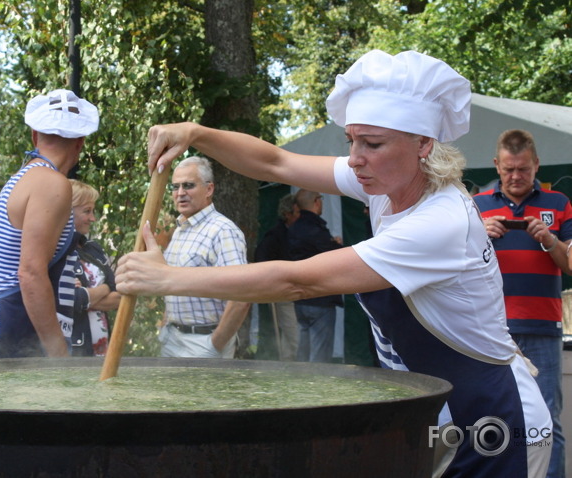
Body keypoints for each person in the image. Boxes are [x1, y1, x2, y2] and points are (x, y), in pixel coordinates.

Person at [117, 50, 553, 477]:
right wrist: (195, 134)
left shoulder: (439, 222)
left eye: (373, 143)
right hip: (441, 413)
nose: (356, 157)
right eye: (352, 141)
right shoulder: (384, 183)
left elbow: (297, 281)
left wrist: (168, 277)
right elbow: (276, 161)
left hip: (495, 419)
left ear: (423, 143)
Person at [0, 89, 100, 360]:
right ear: (80, 142)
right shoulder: (51, 184)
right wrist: (58, 354)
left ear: (35, 136)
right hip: (10, 333)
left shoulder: (25, 177)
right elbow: (30, 274)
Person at [473, 129, 572, 478]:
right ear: (497, 165)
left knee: (546, 421)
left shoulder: (559, 203)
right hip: (491, 330)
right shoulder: (478, 205)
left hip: (542, 327)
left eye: (524, 170)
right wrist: (477, 235)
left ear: (536, 165)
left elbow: (571, 263)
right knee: (493, 419)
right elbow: (453, 263)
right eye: (509, 169)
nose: (516, 177)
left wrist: (549, 240)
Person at [159, 155, 250, 359]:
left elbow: (242, 296)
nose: (180, 193)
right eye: (175, 187)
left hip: (204, 342)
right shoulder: (181, 229)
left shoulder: (223, 231)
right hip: (172, 338)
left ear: (209, 189)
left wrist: (215, 343)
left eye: (188, 185)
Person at [288, 189, 343, 362]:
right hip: (320, 296)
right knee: (320, 355)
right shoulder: (316, 229)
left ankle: (300, 383)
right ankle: (318, 385)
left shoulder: (293, 228)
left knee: (303, 351)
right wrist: (336, 246)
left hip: (299, 297)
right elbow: (332, 258)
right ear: (317, 202)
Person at [69, 179, 121, 356]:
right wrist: (105, 289)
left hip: (103, 350)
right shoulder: (56, 253)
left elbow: (119, 297)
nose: (93, 218)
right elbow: (72, 300)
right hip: (75, 351)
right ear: (67, 212)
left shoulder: (94, 249)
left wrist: (87, 296)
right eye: (87, 211)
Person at [254, 193, 300, 360]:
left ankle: (287, 360)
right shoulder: (276, 235)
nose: (299, 216)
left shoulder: (288, 233)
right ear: (287, 214)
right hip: (280, 290)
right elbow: (261, 257)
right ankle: (286, 361)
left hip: (288, 289)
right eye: (296, 213)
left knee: (291, 330)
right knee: (290, 331)